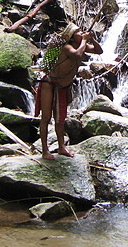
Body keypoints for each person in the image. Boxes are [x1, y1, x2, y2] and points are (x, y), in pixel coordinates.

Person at [35, 23, 102, 160]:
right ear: (71, 38)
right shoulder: (67, 47)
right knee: (46, 118)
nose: (82, 32)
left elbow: (99, 51)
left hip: (62, 87)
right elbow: (77, 55)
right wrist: (84, 40)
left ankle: (61, 147)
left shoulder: (81, 46)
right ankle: (45, 151)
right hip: (49, 84)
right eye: (78, 32)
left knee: (60, 121)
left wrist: (92, 39)